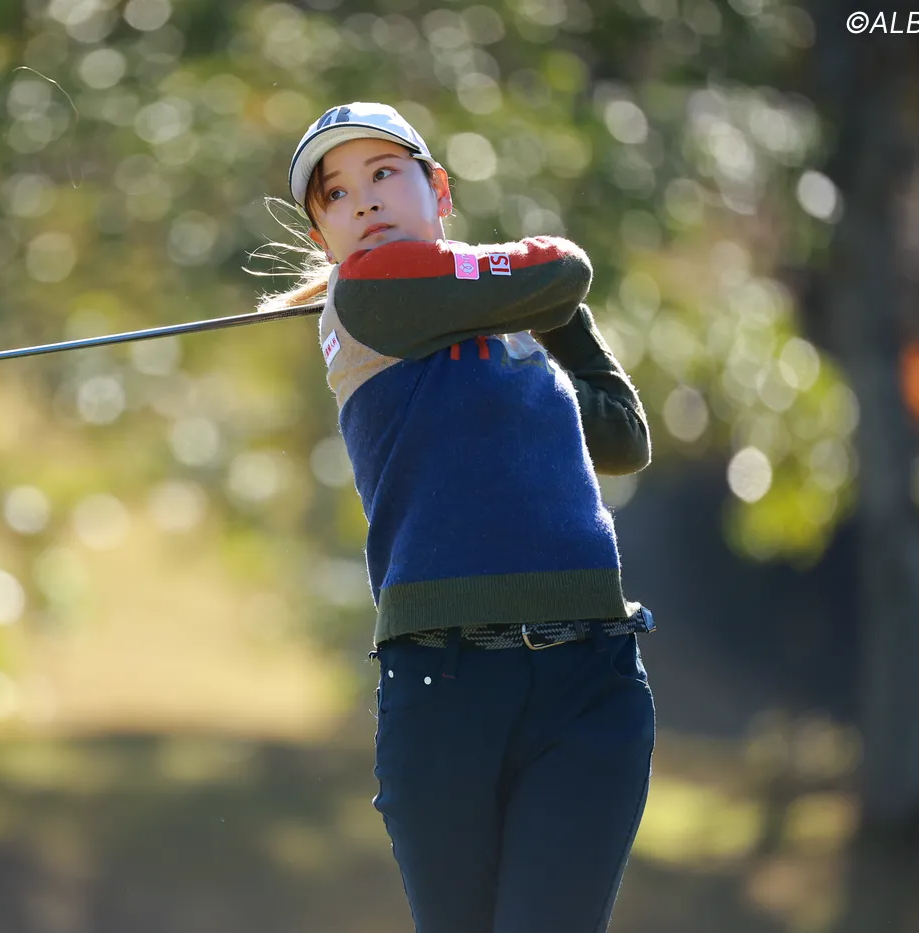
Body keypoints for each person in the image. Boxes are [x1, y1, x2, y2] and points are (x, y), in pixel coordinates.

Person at [258, 101, 657, 932]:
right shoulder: (363, 297)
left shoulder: (512, 336)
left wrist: (541, 316)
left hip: (591, 679)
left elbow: (623, 434)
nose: (365, 200)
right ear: (324, 239)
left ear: (438, 189)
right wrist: (528, 294)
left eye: (383, 173)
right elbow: (563, 267)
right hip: (448, 687)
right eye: (336, 194)